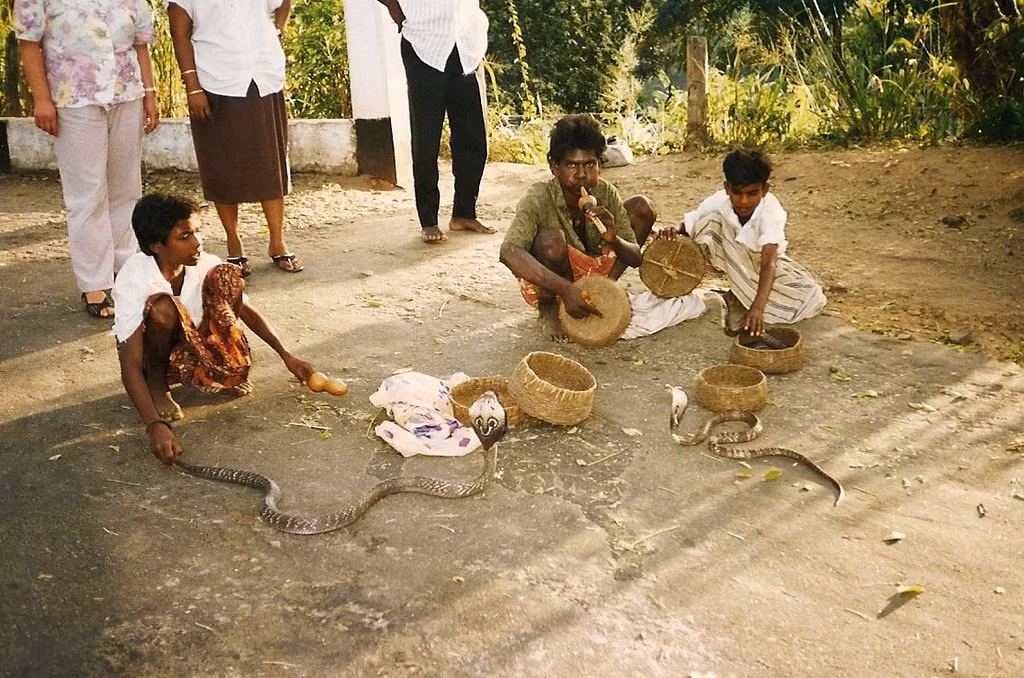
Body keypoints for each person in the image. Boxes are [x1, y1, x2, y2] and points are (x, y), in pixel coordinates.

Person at [111, 194, 314, 464]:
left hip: (193, 342)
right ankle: (158, 387)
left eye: (197, 232)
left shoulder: (204, 262)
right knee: (164, 308)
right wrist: (154, 426)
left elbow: (246, 312)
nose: (197, 242)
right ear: (156, 246)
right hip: (155, 354)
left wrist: (286, 355)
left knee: (226, 276)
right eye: (184, 237)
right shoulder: (135, 278)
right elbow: (130, 363)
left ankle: (212, 370)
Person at [15, 0, 160, 319]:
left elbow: (141, 47)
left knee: (127, 190)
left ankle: (127, 271)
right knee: (87, 196)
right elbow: (30, 45)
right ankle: (95, 283)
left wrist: (150, 94)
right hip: (73, 101)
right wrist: (41, 99)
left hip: (127, 96)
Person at [167, 0, 302, 276]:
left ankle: (277, 241)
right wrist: (193, 87)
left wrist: (277, 29)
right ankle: (234, 243)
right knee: (223, 165)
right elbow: (179, 34)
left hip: (262, 75)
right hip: (215, 79)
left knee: (271, 163)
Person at [499, 114, 656, 341]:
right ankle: (550, 309)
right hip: (555, 283)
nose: (582, 175)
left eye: (590, 164)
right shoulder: (538, 196)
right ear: (555, 167)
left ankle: (604, 289)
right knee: (550, 241)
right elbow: (508, 252)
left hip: (594, 271)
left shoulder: (606, 192)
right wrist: (565, 289)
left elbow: (635, 258)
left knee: (642, 206)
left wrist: (614, 240)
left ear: (600, 165)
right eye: (572, 165)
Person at [377, 0, 495, 244]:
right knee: (426, 137)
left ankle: (464, 213)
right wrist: (394, 8)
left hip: (466, 42)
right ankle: (428, 220)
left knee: (472, 136)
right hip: (424, 41)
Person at [679, 148, 826, 337]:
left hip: (762, 264)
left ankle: (740, 296)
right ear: (727, 188)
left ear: (765, 190)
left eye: (752, 193)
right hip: (733, 260)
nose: (744, 201)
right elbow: (691, 223)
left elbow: (768, 263)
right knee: (709, 222)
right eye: (737, 193)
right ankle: (740, 293)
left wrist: (757, 309)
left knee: (804, 298)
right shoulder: (719, 200)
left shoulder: (771, 211)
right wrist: (672, 234)